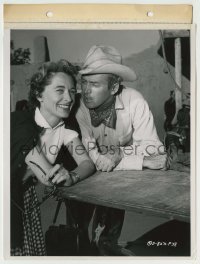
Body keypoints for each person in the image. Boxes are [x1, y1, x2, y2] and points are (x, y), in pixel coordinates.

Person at [75, 45, 170, 253]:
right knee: (76, 235)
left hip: (119, 184)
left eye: (95, 84)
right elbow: (95, 160)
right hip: (82, 179)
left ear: (115, 87)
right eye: (84, 83)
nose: (86, 91)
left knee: (106, 240)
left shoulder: (134, 101)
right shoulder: (81, 108)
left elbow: (155, 150)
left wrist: (119, 154)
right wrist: (138, 159)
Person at [10, 60, 96, 256]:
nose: (69, 98)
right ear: (39, 94)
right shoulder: (18, 123)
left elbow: (87, 163)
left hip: (25, 199)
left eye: (72, 91)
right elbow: (47, 175)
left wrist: (72, 176)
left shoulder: (64, 129)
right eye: (60, 90)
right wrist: (57, 174)